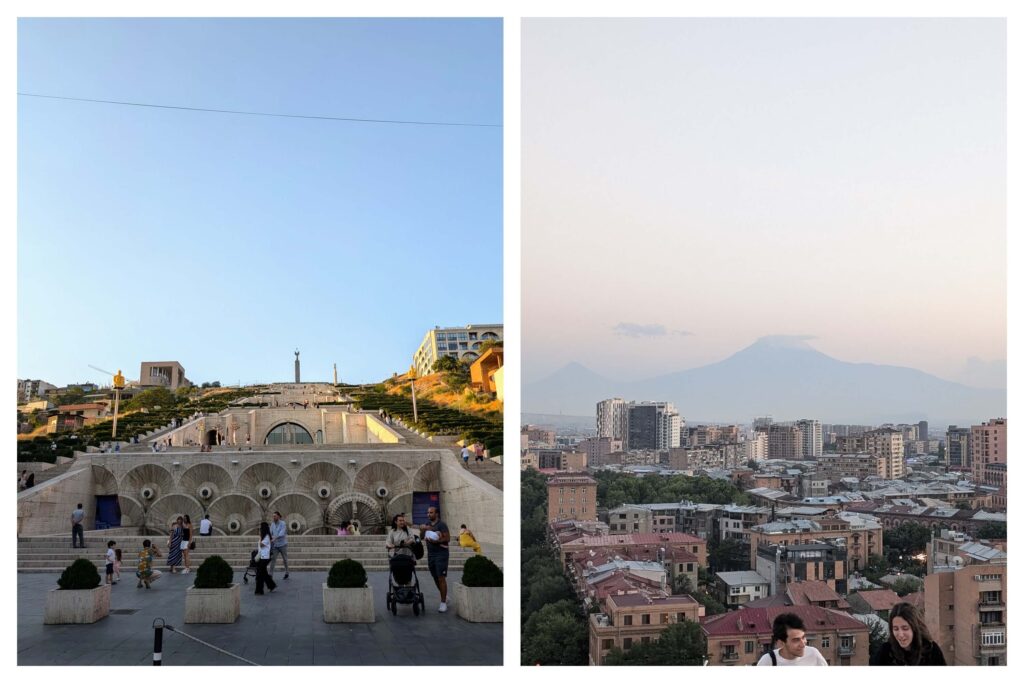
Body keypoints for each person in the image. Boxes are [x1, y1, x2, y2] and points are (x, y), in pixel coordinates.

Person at [871, 602, 947, 665]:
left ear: (915, 628)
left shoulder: (932, 651)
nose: (900, 634)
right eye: (896, 629)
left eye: (905, 628)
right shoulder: (885, 652)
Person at [756, 613, 829, 666]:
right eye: (796, 640)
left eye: (803, 637)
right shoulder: (768, 661)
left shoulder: (813, 654)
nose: (803, 644)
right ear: (781, 642)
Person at [418, 506, 451, 612]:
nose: (428, 514)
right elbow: (422, 537)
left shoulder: (441, 524)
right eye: (428, 513)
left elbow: (447, 538)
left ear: (436, 514)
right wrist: (422, 530)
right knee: (435, 577)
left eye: (431, 512)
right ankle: (445, 597)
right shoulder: (427, 524)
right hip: (431, 554)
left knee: (441, 577)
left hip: (441, 554)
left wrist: (436, 541)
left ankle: (443, 602)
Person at [254, 521, 277, 595]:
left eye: (261, 528)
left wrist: (260, 536)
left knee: (260, 574)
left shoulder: (266, 537)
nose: (260, 529)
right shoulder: (264, 536)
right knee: (264, 573)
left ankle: (259, 590)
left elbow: (261, 545)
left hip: (265, 557)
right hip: (262, 557)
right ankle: (271, 585)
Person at [268, 511, 290, 579]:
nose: (273, 517)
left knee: (285, 559)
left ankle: (287, 572)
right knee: (273, 559)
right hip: (275, 545)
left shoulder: (283, 523)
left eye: (275, 516)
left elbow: (282, 533)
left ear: (278, 516)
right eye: (273, 516)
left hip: (283, 544)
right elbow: (270, 533)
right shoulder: (272, 524)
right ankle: (270, 574)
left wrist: (274, 538)